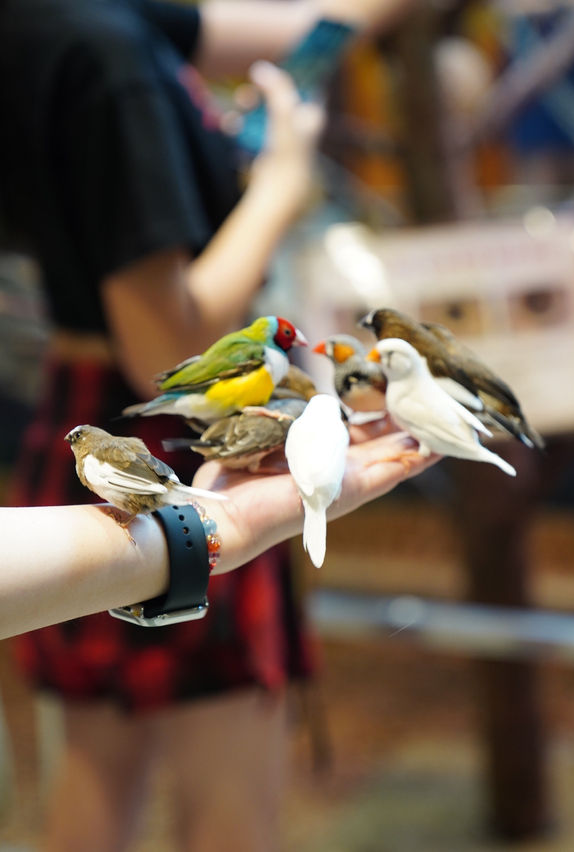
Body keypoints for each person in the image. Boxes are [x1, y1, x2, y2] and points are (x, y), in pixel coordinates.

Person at [0, 1, 417, 850]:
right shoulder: (108, 62)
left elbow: (304, 26)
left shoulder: (52, 22)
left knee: (95, 771)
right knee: (230, 795)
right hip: (174, 442)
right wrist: (279, 187)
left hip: (78, 412)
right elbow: (168, 343)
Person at [0, 432, 436, 641]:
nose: (72, 443)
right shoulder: (105, 454)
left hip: (163, 497)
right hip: (169, 498)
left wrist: (203, 524)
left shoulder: (102, 456)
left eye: (76, 438)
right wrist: (210, 526)